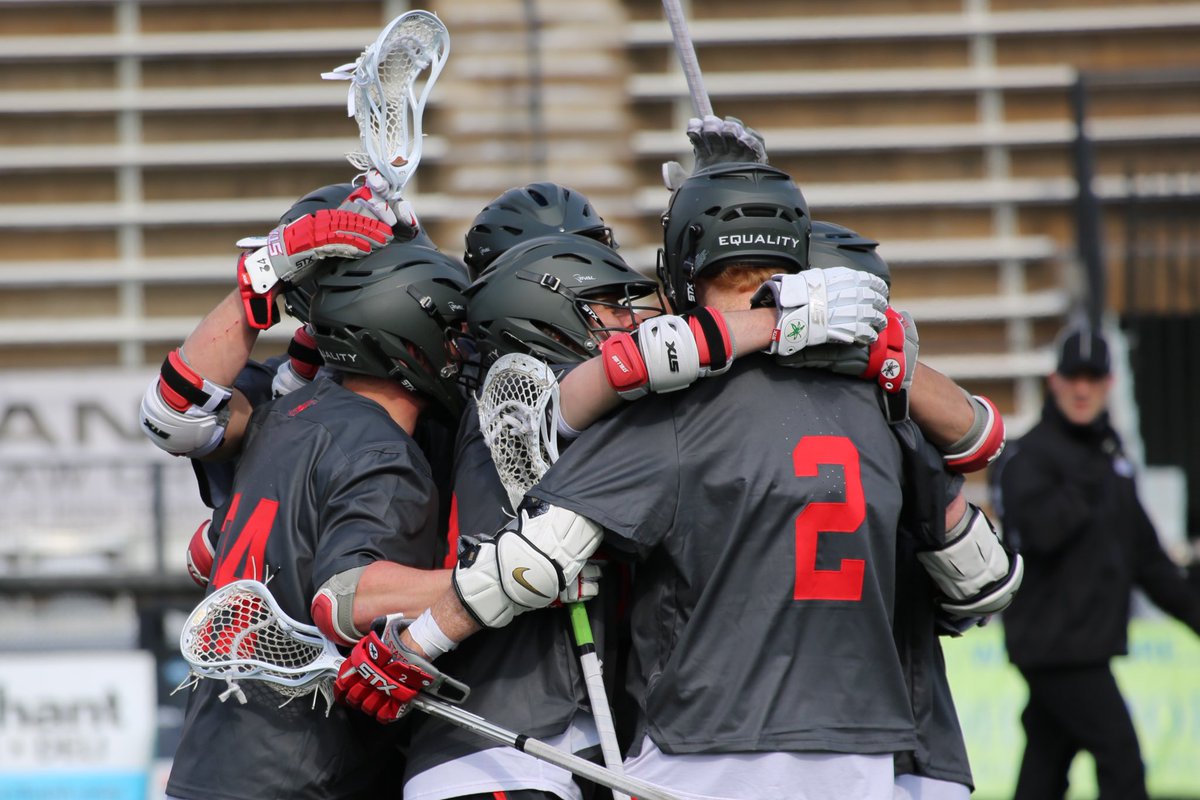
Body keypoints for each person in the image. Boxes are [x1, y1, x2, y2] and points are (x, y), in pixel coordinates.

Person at [334, 160, 1021, 800]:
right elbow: (986, 580)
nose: (629, 317)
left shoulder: (678, 408)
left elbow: (536, 561)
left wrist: (415, 645)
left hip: (709, 740)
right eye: (608, 305)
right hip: (874, 754)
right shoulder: (892, 411)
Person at [161, 239, 472, 800]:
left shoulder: (283, 417)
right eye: (450, 334)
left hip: (209, 759)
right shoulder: (382, 450)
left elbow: (205, 553)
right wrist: (496, 581)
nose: (460, 351)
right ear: (408, 337)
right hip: (299, 768)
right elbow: (349, 593)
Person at [990, 325, 1200, 800]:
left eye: (1093, 379)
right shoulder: (1028, 456)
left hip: (1087, 644)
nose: (1082, 390)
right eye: (1073, 378)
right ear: (1054, 381)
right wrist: (1087, 472)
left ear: (1109, 384)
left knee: (1045, 770)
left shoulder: (1110, 457)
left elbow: (1147, 557)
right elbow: (1040, 533)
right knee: (1121, 761)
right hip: (1054, 648)